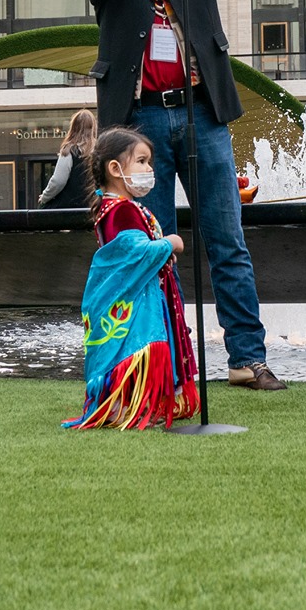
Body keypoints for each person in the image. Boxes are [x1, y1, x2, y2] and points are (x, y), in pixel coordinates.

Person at [75, 0, 283, 391]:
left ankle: (246, 357)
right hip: (139, 121)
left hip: (201, 113)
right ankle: (163, 360)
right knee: (153, 245)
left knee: (227, 241)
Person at [63, 127, 198, 430]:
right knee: (132, 348)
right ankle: (126, 407)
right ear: (114, 168)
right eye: (141, 161)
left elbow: (134, 252)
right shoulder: (122, 210)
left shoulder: (119, 207)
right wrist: (170, 243)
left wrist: (159, 252)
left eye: (149, 162)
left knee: (127, 349)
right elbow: (133, 253)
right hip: (134, 303)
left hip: (138, 296)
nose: (149, 169)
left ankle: (138, 404)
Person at [38, 109, 98, 209]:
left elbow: (58, 181)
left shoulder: (70, 150)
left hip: (68, 207)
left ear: (73, 127)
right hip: (92, 206)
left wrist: (44, 197)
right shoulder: (100, 151)